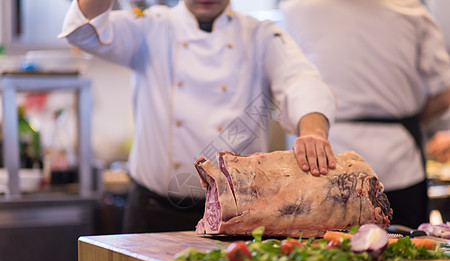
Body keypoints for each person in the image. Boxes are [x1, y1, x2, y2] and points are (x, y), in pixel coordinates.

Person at [59, 0, 337, 233]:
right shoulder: (151, 26)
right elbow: (83, 31)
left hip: (240, 215)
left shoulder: (260, 34)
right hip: (154, 214)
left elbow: (301, 81)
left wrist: (313, 131)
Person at [281, 0, 450, 228]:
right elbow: (444, 92)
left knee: (324, 254)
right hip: (395, 156)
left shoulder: (294, 9)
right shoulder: (411, 9)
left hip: (325, 159)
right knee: (406, 254)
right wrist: (407, 122)